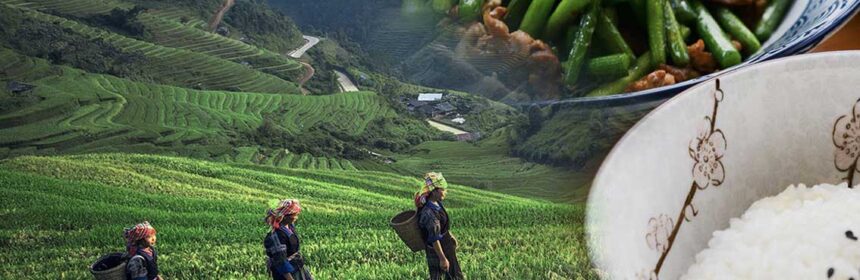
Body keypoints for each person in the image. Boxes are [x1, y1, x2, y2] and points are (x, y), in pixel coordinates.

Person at [415, 172, 464, 280]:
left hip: (446, 245)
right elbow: (434, 238)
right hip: (438, 250)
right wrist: (442, 259)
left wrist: (450, 236)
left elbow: (442, 226)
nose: (446, 192)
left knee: (454, 274)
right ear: (435, 191)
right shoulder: (429, 213)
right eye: (443, 189)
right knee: (440, 276)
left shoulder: (436, 203)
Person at [264, 199, 313, 280]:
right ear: (284, 217)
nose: (296, 217)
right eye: (294, 215)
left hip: (297, 267)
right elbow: (281, 262)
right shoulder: (276, 236)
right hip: (287, 274)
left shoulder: (289, 226)